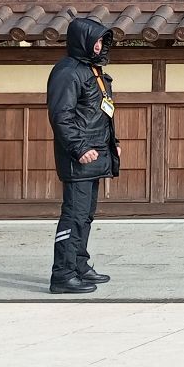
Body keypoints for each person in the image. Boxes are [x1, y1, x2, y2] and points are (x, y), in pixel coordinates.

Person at [46, 17, 121, 293]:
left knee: (85, 216)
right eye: (95, 41)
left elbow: (100, 114)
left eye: (102, 41)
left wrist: (113, 144)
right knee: (73, 216)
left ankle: (79, 265)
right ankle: (62, 275)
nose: (99, 46)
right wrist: (79, 148)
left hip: (96, 154)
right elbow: (61, 116)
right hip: (78, 157)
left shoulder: (93, 70)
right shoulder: (67, 72)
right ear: (82, 41)